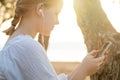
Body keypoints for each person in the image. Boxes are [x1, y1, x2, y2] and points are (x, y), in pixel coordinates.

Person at [0, 0, 106, 80]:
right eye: (56, 14)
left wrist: (82, 67)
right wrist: (84, 70)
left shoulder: (15, 43)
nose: (57, 21)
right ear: (39, 9)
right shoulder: (26, 45)